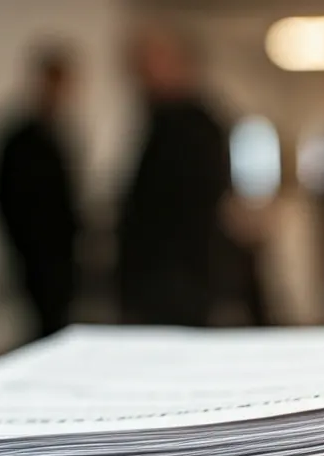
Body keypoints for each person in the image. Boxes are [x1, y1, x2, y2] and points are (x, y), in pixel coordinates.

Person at [115, 25, 232, 327]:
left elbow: (195, 206)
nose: (141, 73)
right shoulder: (161, 121)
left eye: (150, 63)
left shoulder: (192, 127)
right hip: (162, 277)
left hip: (178, 278)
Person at [0, 43, 82, 340]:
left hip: (63, 258)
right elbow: (6, 198)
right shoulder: (20, 139)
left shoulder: (61, 134)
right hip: (34, 258)